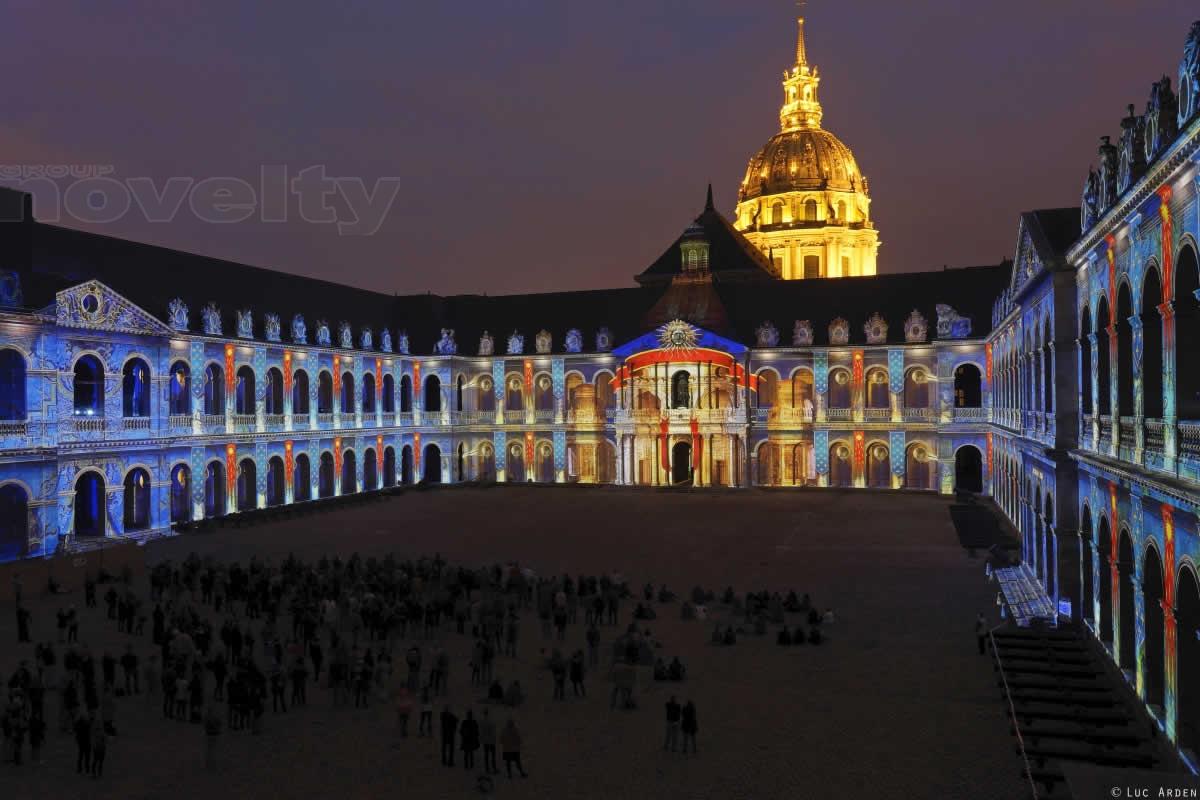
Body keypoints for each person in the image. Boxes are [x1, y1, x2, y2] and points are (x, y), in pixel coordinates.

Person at [480, 708, 498, 775]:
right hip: (491, 741)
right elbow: (493, 732)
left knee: (486, 755)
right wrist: (494, 740)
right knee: (493, 756)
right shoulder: (491, 721)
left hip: (485, 741)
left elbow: (481, 732)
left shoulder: (482, 721)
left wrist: (482, 740)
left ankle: (487, 768)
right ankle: (494, 768)